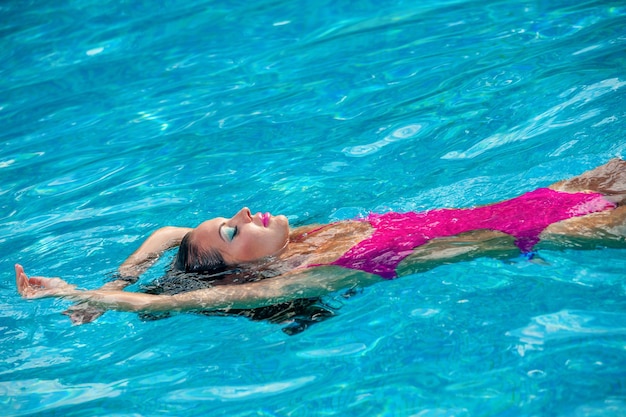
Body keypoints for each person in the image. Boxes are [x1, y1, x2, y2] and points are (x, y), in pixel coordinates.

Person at [15, 158, 626, 330]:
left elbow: (169, 237)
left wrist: (121, 278)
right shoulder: (307, 275)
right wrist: (84, 294)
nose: (243, 212)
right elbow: (172, 302)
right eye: (233, 229)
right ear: (248, 274)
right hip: (541, 230)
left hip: (533, 200)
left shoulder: (298, 241)